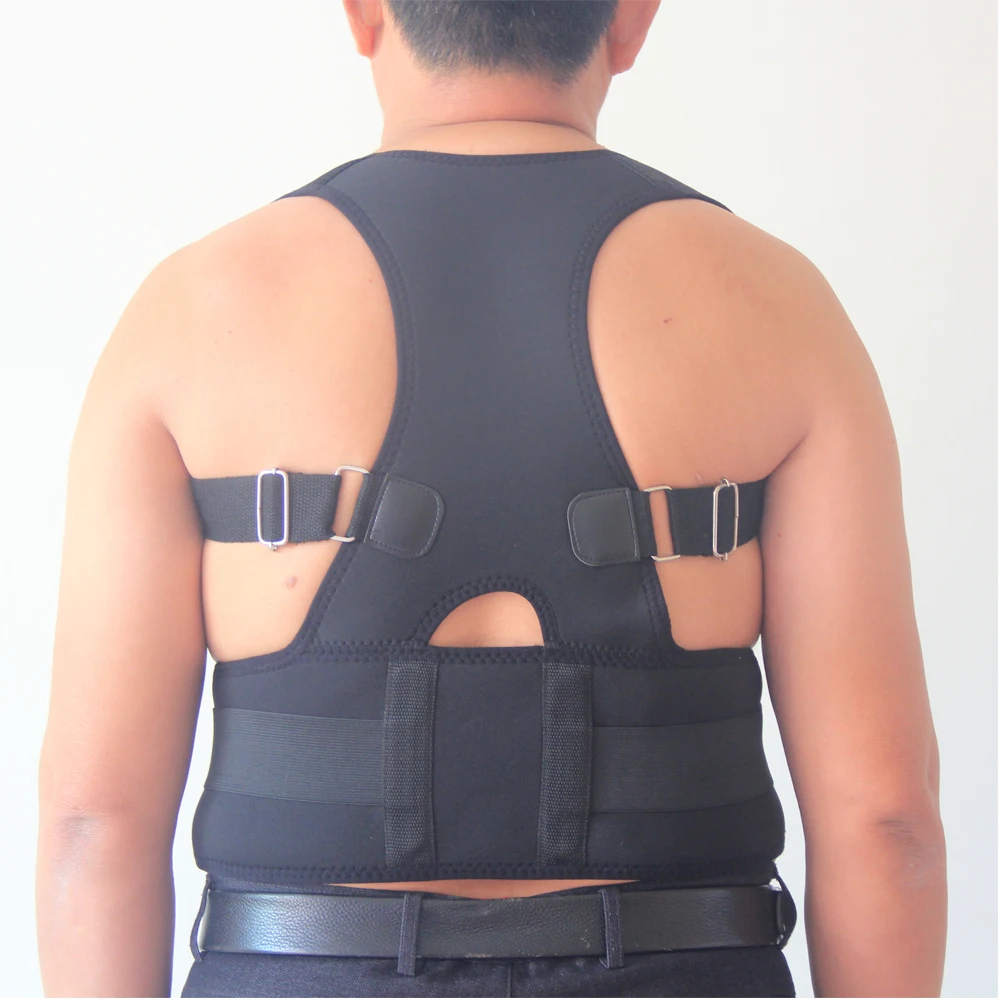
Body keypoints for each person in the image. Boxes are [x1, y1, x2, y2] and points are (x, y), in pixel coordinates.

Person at [36, 0, 947, 997]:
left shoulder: (194, 311)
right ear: (630, 20)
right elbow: (883, 819)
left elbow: (93, 824)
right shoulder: (775, 307)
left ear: (364, 13)